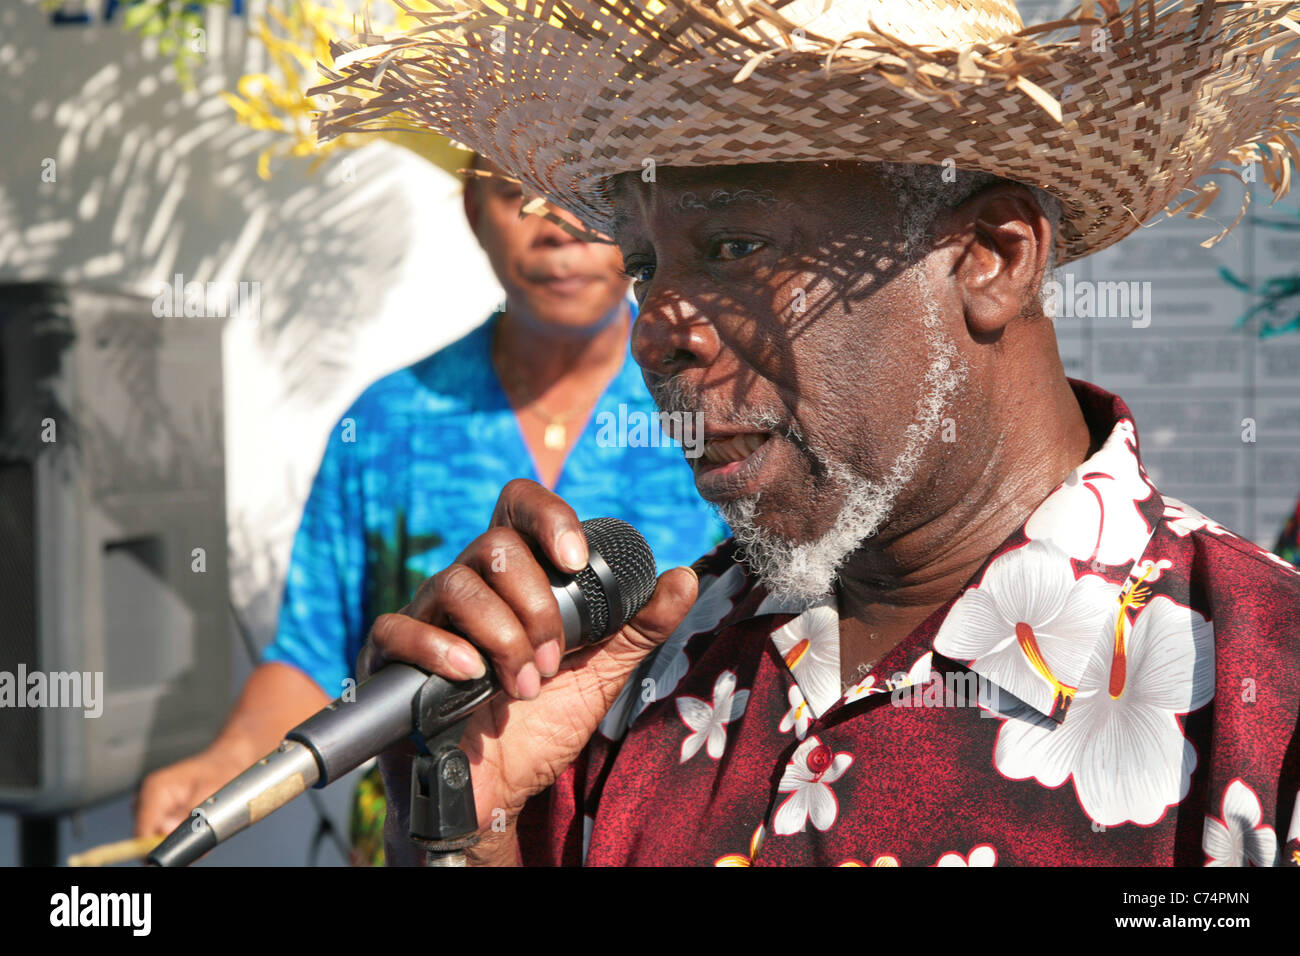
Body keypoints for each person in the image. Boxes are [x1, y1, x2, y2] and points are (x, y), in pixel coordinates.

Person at [318, 0, 1300, 866]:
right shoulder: (636, 676)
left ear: (992, 259)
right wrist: (474, 821)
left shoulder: (1265, 690)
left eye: (737, 245)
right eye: (646, 263)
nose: (658, 328)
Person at [132, 152, 729, 862]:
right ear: (475, 214)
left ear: (636, 220)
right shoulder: (386, 422)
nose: (557, 226)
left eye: (582, 195)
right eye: (519, 196)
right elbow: (313, 658)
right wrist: (228, 758)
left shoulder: (715, 409)